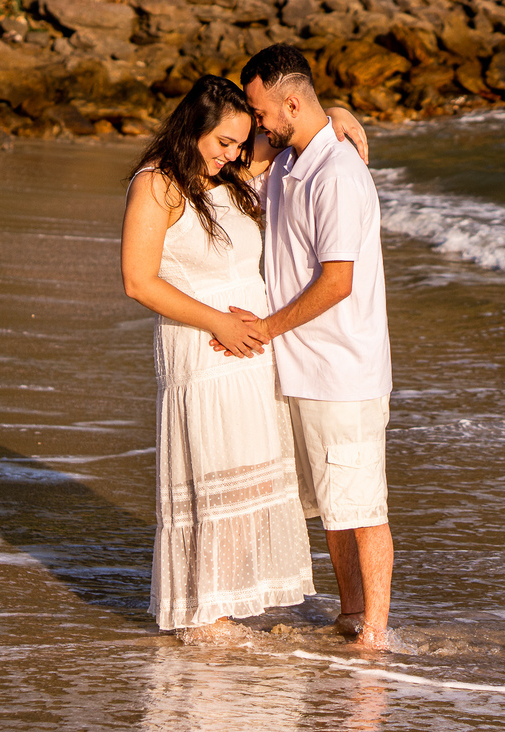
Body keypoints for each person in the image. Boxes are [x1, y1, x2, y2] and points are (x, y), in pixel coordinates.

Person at [120, 74, 366, 641]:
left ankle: (225, 604)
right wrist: (220, 324)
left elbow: (292, 125)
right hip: (203, 353)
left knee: (244, 475)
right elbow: (138, 281)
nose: (233, 155)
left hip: (248, 355)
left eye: (238, 144)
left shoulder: (226, 175)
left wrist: (341, 112)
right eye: (223, 143)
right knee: (212, 476)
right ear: (193, 129)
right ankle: (205, 614)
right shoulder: (157, 184)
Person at [229, 44, 395, 650]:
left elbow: (338, 280)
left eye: (260, 110)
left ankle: (374, 632)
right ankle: (350, 614)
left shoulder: (338, 175)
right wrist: (341, 110)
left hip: (342, 371)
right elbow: (244, 160)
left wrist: (265, 329)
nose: (255, 123)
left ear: (291, 103)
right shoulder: (291, 161)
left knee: (362, 505)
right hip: (301, 370)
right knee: (332, 507)